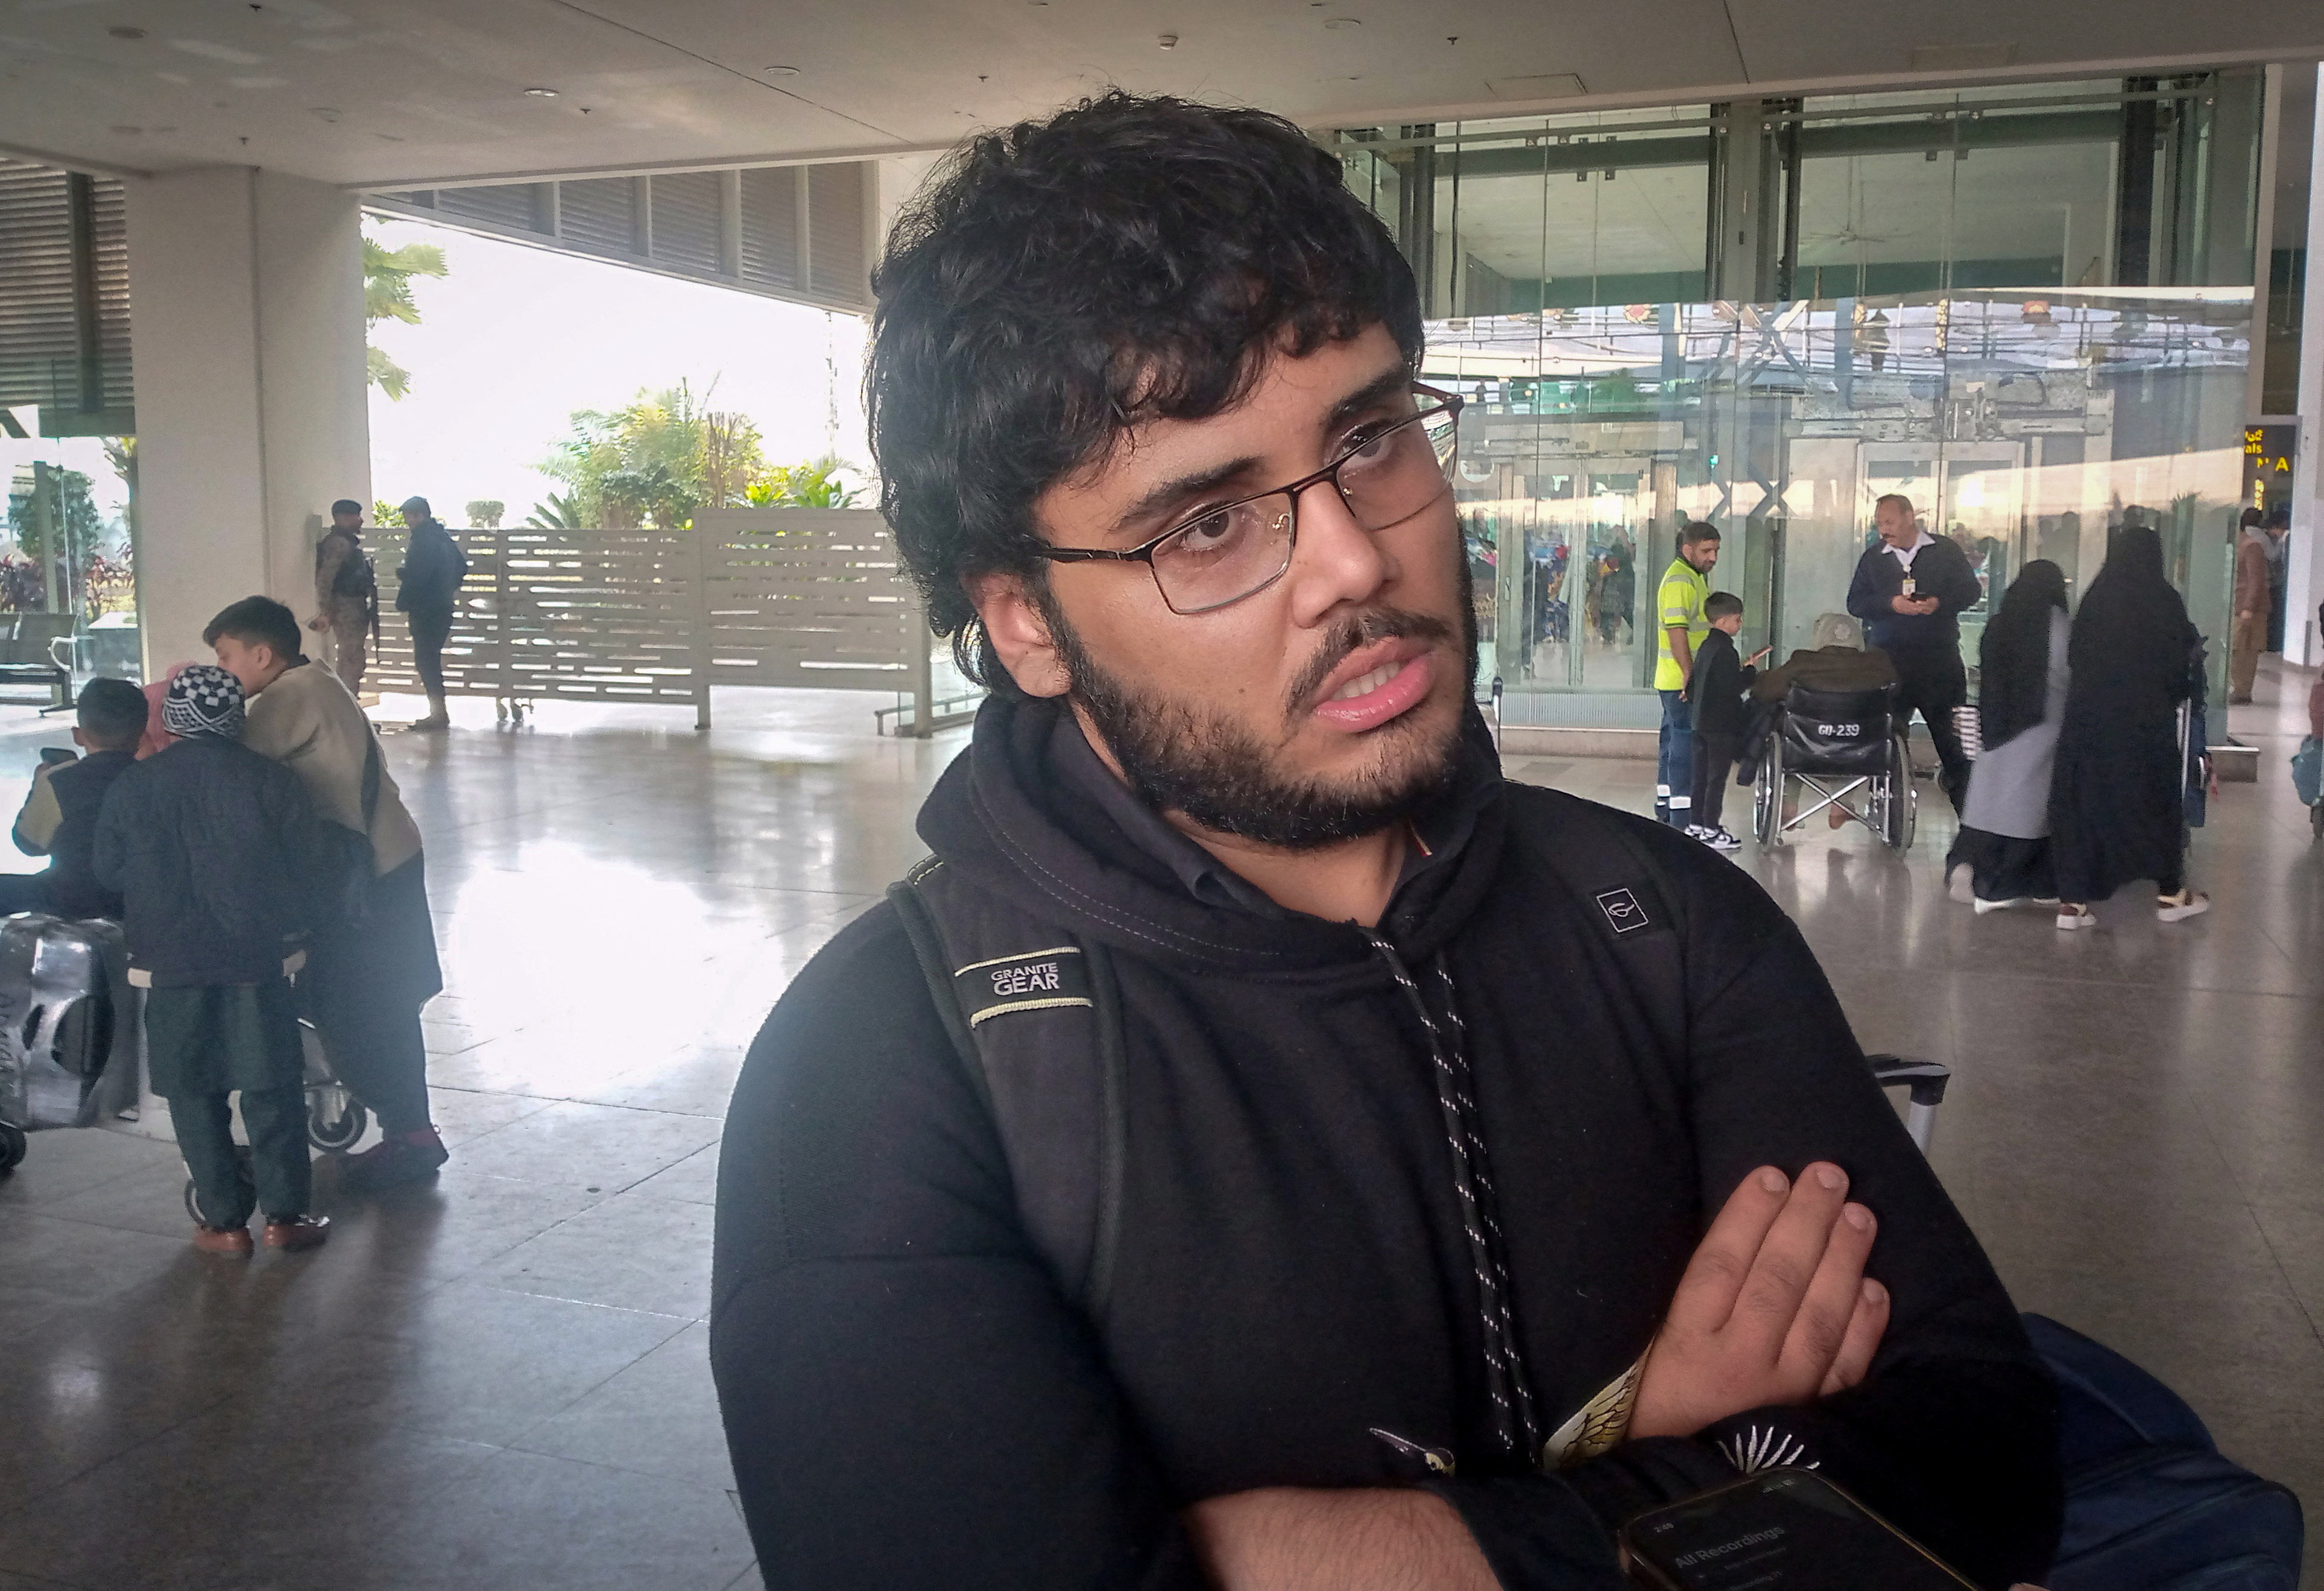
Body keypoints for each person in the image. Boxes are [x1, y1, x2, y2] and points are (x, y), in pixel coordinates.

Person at [711, 93, 2060, 1591]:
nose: (1353, 557)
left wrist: (1354, 1545)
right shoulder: (896, 1061)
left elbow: (1982, 1462)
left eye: (1366, 438)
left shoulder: (1661, 922)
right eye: (1203, 525)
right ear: (1024, 619)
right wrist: (1681, 1469)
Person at [206, 596, 449, 1191]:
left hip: (363, 872)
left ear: (262, 654)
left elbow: (226, 765)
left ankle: (410, 1137)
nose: (222, 671)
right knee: (379, 1005)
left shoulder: (289, 697)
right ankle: (408, 1131)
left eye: (225, 657)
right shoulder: (318, 679)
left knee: (361, 1007)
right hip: (384, 856)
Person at [90, 665, 329, 1256]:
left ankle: (223, 1224)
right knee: (270, 1084)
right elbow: (306, 868)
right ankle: (287, 1217)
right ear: (234, 719)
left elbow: (109, 870)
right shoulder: (273, 782)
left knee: (194, 1090)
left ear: (170, 719)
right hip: (256, 959)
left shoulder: (134, 786)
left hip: (170, 963)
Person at [2049, 525, 2209, 929]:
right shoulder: (2163, 600)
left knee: (2085, 805)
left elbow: (2075, 656)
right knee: (2152, 803)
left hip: (2087, 721)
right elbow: (2179, 665)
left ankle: (2073, 903)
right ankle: (2171, 895)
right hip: (2143, 724)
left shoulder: (2095, 598)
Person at [1845, 493, 1980, 814]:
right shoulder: (1874, 557)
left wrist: (1939, 603)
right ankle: (1883, 809)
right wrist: (1890, 604)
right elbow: (1855, 603)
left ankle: (1970, 818)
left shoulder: (1944, 550)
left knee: (1953, 743)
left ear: (1909, 518)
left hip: (1938, 661)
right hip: (1888, 662)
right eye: (1879, 523)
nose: (1884, 530)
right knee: (1886, 737)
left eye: (1889, 522)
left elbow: (1971, 591)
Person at [1951, 562, 2071, 913]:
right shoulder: (2060, 627)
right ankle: (2003, 884)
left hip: (1998, 724)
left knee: (1989, 805)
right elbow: (2069, 673)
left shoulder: (2000, 623)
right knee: (2029, 813)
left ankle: (1968, 866)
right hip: (2044, 725)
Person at [0, 679, 148, 918]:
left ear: (78, 736)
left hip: (68, 901)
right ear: (142, 735)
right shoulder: (155, 780)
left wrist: (37, 786)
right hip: (136, 902)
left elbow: (29, 845)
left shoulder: (58, 780)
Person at [1687, 591, 1766, 852]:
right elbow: (1733, 687)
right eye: (1737, 619)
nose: (1740, 624)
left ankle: (1696, 825)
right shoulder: (1726, 650)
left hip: (1700, 722)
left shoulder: (1707, 647)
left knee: (1700, 776)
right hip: (1721, 726)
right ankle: (1712, 829)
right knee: (1716, 778)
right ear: (1722, 622)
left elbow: (1694, 683)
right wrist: (1750, 672)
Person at [1654, 520, 1721, 827]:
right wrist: (1689, 675)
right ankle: (1683, 818)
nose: (1713, 558)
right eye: (1706, 551)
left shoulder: (1694, 577)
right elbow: (1676, 630)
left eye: (1716, 550)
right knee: (1684, 745)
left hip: (1675, 677)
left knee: (1672, 739)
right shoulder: (1681, 580)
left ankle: (1667, 806)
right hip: (1680, 678)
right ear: (1687, 549)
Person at [393, 496, 467, 732]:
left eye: (408, 516)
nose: (407, 521)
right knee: (430, 660)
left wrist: (404, 579)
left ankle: (438, 715)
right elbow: (462, 567)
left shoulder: (423, 540)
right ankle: (439, 713)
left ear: (419, 515)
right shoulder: (442, 537)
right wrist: (445, 589)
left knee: (427, 662)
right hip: (442, 607)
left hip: (426, 610)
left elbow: (418, 576)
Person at [311, 499, 379, 695]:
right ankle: (347, 707)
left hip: (353, 607)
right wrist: (325, 612)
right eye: (357, 516)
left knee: (354, 659)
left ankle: (349, 704)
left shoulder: (346, 543)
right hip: (345, 608)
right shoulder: (338, 544)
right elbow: (325, 580)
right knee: (351, 661)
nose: (361, 520)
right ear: (344, 518)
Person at [2229, 507, 2270, 704]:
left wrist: (2249, 607)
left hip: (2248, 609)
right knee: (2236, 650)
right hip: (2236, 605)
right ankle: (2238, 688)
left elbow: (2256, 579)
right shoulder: (2235, 546)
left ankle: (2242, 691)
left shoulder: (2251, 546)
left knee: (2245, 651)